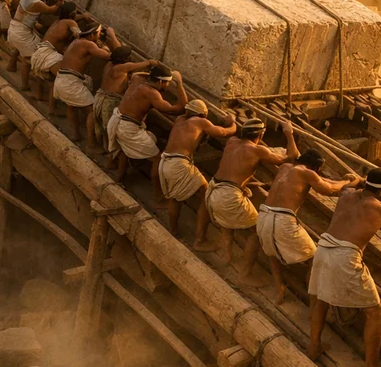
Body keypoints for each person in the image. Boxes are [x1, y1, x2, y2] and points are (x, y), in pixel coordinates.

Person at [308, 168, 381, 367]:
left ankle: (314, 346)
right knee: (376, 312)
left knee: (321, 298)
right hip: (345, 256)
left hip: (323, 248)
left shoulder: (346, 195)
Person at [256, 150, 358, 303]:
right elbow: (327, 189)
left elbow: (324, 180)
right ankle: (313, 298)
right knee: (315, 257)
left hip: (264, 215)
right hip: (282, 220)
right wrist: (349, 182)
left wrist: (345, 181)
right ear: (313, 167)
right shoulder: (306, 173)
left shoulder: (286, 167)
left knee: (272, 252)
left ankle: (279, 289)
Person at [205, 117, 299, 277]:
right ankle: (245, 274)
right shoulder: (258, 150)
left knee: (226, 223)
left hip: (214, 189)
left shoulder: (232, 142)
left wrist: (230, 120)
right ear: (261, 135)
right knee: (257, 231)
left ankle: (226, 257)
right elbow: (292, 156)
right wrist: (288, 133)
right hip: (228, 195)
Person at [158, 99, 237, 246]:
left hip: (166, 162)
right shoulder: (200, 122)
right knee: (206, 195)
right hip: (178, 164)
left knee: (176, 198)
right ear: (203, 115)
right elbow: (224, 132)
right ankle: (200, 240)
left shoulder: (180, 119)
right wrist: (232, 122)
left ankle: (173, 231)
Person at [107, 62, 187, 190]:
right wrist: (179, 84)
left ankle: (119, 177)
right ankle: (157, 197)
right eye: (167, 83)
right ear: (160, 82)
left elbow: (138, 73)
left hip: (118, 120)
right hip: (127, 128)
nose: (167, 86)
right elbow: (178, 109)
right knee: (157, 159)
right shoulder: (152, 93)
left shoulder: (137, 79)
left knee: (125, 147)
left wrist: (156, 73)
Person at [54, 21, 117, 146]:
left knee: (71, 106)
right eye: (98, 33)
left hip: (62, 79)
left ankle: (76, 134)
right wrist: (111, 39)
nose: (99, 35)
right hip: (70, 82)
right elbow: (109, 56)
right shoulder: (88, 44)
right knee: (92, 112)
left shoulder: (77, 41)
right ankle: (91, 143)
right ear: (92, 34)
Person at [93, 46, 154, 150]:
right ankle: (110, 155)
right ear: (125, 59)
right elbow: (144, 64)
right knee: (111, 129)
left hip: (100, 96)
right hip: (110, 100)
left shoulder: (109, 64)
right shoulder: (122, 67)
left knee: (104, 127)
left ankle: (104, 147)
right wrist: (152, 62)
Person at [6, 0, 59, 90]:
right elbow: (51, 10)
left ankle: (11, 65)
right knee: (28, 59)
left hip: (14, 26)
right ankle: (24, 85)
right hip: (22, 32)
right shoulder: (36, 2)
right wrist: (59, 3)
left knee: (18, 47)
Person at [28, 1, 80, 107]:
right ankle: (52, 109)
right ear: (72, 14)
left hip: (38, 52)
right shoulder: (71, 23)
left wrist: (83, 16)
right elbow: (77, 33)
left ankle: (39, 95)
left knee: (41, 74)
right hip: (48, 54)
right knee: (62, 78)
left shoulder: (58, 21)